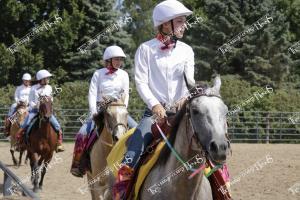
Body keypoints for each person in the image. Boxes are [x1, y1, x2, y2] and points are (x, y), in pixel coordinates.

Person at [112, 0, 195, 199]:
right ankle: (121, 192)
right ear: (166, 24)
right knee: (134, 149)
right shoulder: (145, 49)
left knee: (209, 143)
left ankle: (222, 189)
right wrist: (155, 104)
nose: (185, 25)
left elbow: (189, 81)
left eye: (184, 21)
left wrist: (185, 98)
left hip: (181, 113)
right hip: (154, 115)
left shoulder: (187, 51)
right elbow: (140, 82)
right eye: (180, 21)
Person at [70, 45, 136, 177]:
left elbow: (126, 94)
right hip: (101, 108)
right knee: (82, 132)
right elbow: (92, 94)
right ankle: (78, 165)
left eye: (120, 59)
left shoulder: (124, 74)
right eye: (116, 59)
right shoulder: (98, 74)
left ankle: (134, 163)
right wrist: (94, 111)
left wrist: (123, 108)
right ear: (108, 60)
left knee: (136, 129)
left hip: (119, 109)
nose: (119, 62)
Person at [15, 69, 65, 152]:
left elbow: (51, 99)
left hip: (46, 111)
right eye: (46, 78)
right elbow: (30, 101)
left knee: (57, 125)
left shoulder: (49, 88)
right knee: (26, 123)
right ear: (41, 79)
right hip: (35, 110)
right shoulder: (33, 88)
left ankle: (59, 143)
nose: (48, 80)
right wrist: (36, 105)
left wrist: (48, 103)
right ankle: (19, 142)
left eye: (48, 78)